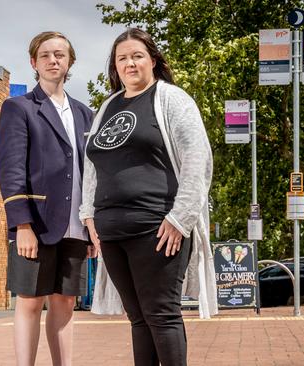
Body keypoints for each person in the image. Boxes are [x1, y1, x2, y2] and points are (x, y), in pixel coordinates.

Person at [79, 28, 218, 365]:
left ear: (153, 60)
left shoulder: (172, 99)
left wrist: (180, 218)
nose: (130, 63)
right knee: (138, 317)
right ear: (115, 66)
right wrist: (88, 215)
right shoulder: (108, 107)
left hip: (157, 229)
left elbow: (197, 159)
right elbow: (93, 163)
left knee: (161, 314)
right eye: (122, 58)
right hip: (112, 232)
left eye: (137, 56)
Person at [0, 31, 95, 366]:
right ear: (33, 62)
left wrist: (91, 227)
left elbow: (91, 174)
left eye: (60, 55)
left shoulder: (86, 114)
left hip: (75, 226)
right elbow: (10, 170)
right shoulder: (18, 108)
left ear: (70, 62)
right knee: (29, 301)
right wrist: (20, 224)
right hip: (35, 223)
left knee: (65, 302)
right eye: (46, 55)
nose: (54, 60)